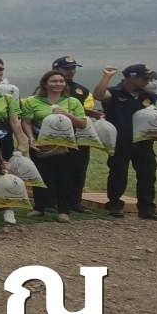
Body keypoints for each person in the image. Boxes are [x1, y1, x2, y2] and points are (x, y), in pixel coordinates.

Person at [92, 65, 157, 220]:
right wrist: (107, 76)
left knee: (147, 174)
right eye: (145, 78)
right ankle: (115, 205)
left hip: (144, 142)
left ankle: (147, 208)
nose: (147, 81)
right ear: (132, 77)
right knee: (118, 173)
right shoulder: (114, 93)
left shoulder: (149, 95)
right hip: (121, 141)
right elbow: (98, 95)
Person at [19, 70, 89, 223]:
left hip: (66, 146)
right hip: (40, 145)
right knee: (41, 175)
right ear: (45, 84)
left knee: (65, 177)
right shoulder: (32, 101)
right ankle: (39, 208)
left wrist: (66, 114)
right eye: (54, 81)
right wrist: (30, 137)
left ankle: (63, 211)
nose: (58, 84)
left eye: (61, 81)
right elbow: (26, 121)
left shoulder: (72, 102)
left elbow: (82, 124)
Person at [53, 56, 97, 212]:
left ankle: (75, 202)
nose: (71, 72)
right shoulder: (47, 88)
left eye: (73, 68)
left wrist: (94, 113)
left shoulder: (81, 90)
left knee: (79, 168)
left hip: (79, 134)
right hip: (56, 134)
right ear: (56, 69)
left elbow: (87, 109)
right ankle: (52, 201)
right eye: (67, 69)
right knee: (56, 168)